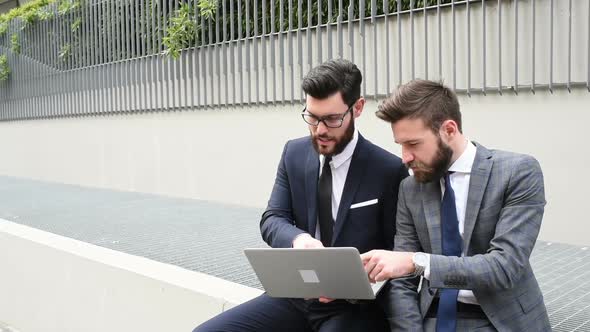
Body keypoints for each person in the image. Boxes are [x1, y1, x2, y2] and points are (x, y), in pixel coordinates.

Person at [193, 59, 407, 331]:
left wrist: (353, 283)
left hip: (353, 308)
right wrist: (299, 239)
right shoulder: (293, 154)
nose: (320, 130)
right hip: (294, 297)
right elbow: (272, 219)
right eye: (312, 117)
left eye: (331, 119)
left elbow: (398, 252)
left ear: (358, 108)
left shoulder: (388, 170)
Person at [361, 79, 551, 332]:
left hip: (500, 318)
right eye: (401, 145)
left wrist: (417, 262)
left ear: (449, 130)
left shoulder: (517, 172)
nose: (405, 157)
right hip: (433, 314)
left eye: (414, 144)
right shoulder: (411, 188)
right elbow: (402, 281)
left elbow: (504, 267)